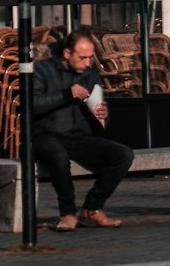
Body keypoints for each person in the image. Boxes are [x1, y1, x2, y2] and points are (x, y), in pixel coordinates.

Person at [33, 27, 134, 231]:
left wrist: (102, 115)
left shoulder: (90, 74)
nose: (87, 63)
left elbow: (99, 115)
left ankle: (92, 209)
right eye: (83, 57)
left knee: (124, 155)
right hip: (46, 135)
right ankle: (68, 213)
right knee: (58, 156)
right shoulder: (42, 69)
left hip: (78, 136)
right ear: (67, 53)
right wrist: (66, 94)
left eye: (90, 57)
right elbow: (33, 105)